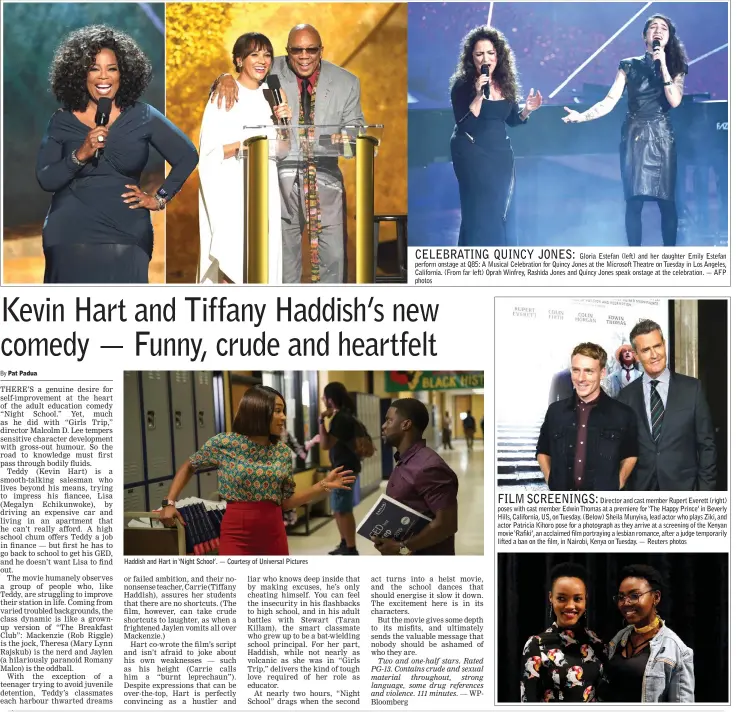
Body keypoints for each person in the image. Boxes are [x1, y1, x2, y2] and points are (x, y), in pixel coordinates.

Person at [36, 25, 198, 283]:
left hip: (127, 234)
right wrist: (81, 154)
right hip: (69, 234)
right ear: (80, 74)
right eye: (94, 68)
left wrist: (159, 198)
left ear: (124, 73)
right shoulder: (62, 120)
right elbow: (46, 179)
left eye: (112, 68)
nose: (104, 77)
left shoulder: (142, 115)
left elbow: (187, 155)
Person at [211, 23, 365, 283]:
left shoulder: (346, 82)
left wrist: (344, 139)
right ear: (288, 51)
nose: (304, 56)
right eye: (297, 50)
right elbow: (244, 70)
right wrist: (223, 77)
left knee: (334, 257)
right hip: (278, 182)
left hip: (325, 181)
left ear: (321, 50)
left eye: (311, 50)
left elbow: (357, 132)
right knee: (282, 261)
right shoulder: (272, 70)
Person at [159, 386, 354, 555]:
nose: (283, 417)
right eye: (278, 411)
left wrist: (322, 486)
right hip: (236, 533)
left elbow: (285, 503)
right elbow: (190, 465)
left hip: (273, 532)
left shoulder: (282, 452)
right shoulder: (225, 443)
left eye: (283, 411)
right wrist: (169, 502)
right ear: (259, 410)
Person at [562, 15, 688, 247]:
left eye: (664, 29)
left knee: (666, 202)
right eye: (653, 27)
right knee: (634, 202)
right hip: (635, 137)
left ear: (668, 38)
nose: (658, 31)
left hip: (662, 138)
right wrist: (581, 116)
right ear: (645, 36)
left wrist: (663, 66)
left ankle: (671, 260)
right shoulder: (628, 65)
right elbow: (609, 101)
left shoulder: (675, 66)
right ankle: (634, 260)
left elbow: (675, 101)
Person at [198, 32, 291, 284]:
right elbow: (208, 152)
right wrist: (246, 146)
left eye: (267, 55)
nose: (262, 60)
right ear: (239, 60)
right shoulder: (226, 92)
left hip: (264, 189)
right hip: (232, 190)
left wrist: (285, 124)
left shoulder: (274, 94)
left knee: (259, 262)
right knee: (232, 261)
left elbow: (282, 150)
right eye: (254, 54)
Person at [449, 25, 542, 246]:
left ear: (498, 55)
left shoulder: (505, 83)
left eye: (490, 53)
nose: (486, 59)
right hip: (471, 152)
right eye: (479, 54)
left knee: (503, 211)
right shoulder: (462, 85)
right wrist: (479, 94)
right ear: (471, 58)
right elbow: (466, 126)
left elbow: (511, 119)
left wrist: (527, 109)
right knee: (480, 213)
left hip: (500, 155)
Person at [616, 319, 716, 490]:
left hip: (684, 492)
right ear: (637, 355)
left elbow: (707, 447)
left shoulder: (692, 389)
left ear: (664, 345)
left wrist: (704, 494)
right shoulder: (626, 396)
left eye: (657, 346)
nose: (654, 355)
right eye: (646, 350)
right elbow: (621, 451)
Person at [536, 343, 638, 491]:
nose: (581, 378)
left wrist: (617, 483)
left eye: (589, 371)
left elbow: (631, 454)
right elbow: (543, 450)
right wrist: (550, 479)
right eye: (576, 370)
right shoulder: (555, 411)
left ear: (602, 373)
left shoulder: (623, 414)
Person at [375, 398, 458, 556]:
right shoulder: (405, 461)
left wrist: (402, 547)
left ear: (406, 424)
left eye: (389, 420)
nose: (383, 426)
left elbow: (447, 524)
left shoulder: (429, 467)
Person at [521, 562, 607, 702]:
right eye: (561, 598)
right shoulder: (536, 645)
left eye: (577, 598)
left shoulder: (598, 644)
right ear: (551, 598)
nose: (570, 606)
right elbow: (528, 699)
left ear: (586, 599)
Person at [607, 565, 694, 702]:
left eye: (634, 596)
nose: (625, 603)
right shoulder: (618, 639)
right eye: (621, 597)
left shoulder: (677, 650)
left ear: (656, 597)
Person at [320, 383, 362, 555]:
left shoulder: (341, 419)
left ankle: (351, 548)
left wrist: (321, 420)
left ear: (330, 400)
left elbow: (325, 444)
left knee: (343, 509)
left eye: (324, 397)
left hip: (345, 469)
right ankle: (345, 543)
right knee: (338, 508)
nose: (322, 400)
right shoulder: (344, 416)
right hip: (343, 468)